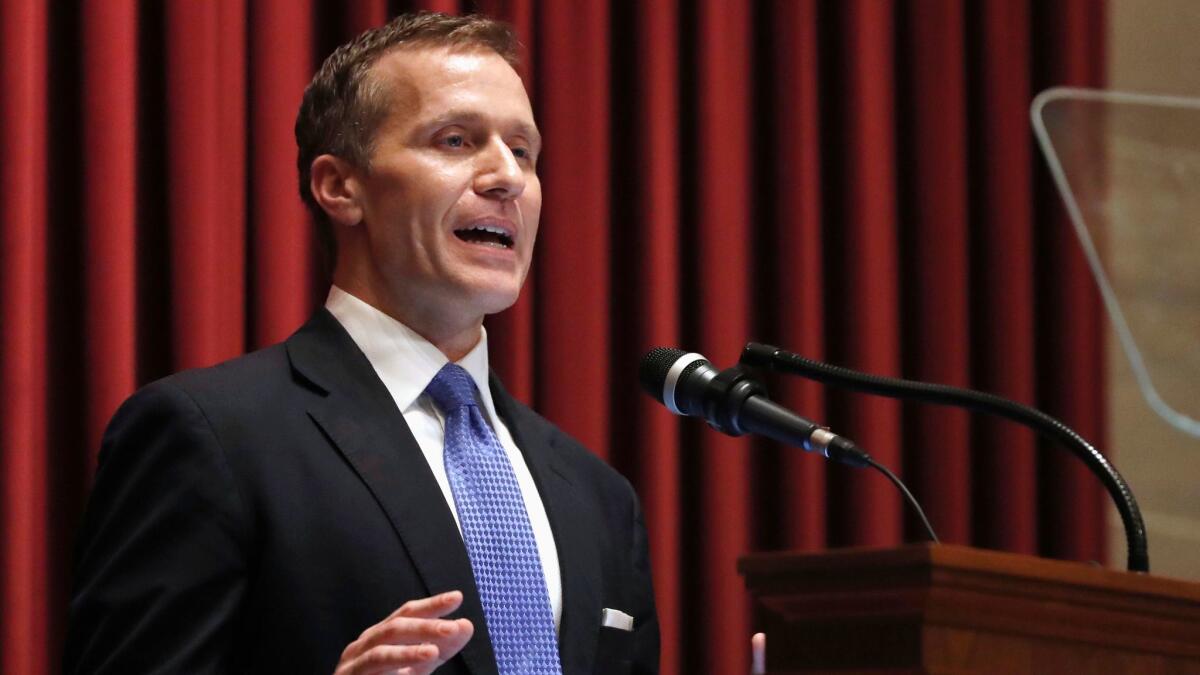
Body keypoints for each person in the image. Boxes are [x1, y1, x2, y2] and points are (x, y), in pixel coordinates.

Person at [65, 12, 659, 675]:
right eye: (457, 140)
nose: (507, 178)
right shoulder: (211, 438)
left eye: (522, 151)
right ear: (340, 187)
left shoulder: (598, 494)